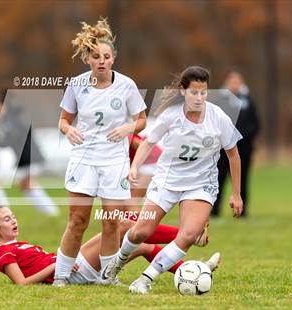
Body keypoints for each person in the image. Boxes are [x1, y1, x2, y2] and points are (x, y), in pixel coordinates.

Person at [102, 66, 243, 294]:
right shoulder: (171, 117)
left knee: (187, 235)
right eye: (194, 92)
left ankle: (145, 280)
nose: (199, 98)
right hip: (167, 181)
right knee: (141, 232)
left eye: (204, 93)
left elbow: (233, 154)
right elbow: (148, 142)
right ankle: (118, 261)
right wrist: (135, 166)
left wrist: (236, 194)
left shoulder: (218, 118)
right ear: (183, 91)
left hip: (201, 185)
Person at [55, 18, 147, 286]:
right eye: (96, 56)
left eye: (106, 56)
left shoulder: (127, 86)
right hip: (84, 160)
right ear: (87, 59)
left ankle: (107, 278)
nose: (102, 61)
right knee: (78, 220)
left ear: (113, 59)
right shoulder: (77, 85)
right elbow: (63, 120)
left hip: (114, 162)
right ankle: (61, 276)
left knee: (111, 222)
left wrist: (128, 127)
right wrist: (68, 130)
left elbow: (142, 120)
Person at [0, 206, 220, 285]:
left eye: (13, 216)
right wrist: (58, 266)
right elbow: (21, 283)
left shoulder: (16, 244)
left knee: (138, 243)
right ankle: (191, 235)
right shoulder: (3, 252)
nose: (14, 220)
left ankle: (191, 271)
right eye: (7, 219)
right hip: (73, 271)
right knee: (121, 225)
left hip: (73, 263)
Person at [0, 90, 59, 216]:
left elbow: (11, 138)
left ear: (2, 105)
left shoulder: (10, 120)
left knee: (27, 185)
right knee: (24, 185)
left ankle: (51, 212)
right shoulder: (9, 120)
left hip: (30, 157)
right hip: (26, 158)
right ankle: (47, 212)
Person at [211, 71, 260, 217]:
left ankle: (241, 210)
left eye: (238, 82)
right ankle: (215, 209)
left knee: (242, 180)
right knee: (218, 179)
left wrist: (243, 139)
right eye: (233, 81)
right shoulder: (219, 100)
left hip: (244, 149)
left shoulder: (248, 101)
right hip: (221, 149)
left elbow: (255, 123)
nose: (235, 85)